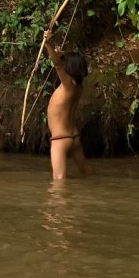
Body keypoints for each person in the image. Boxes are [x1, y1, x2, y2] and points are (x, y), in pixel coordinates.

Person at [43, 28, 90, 180]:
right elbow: (60, 64)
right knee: (87, 172)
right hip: (73, 137)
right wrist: (60, 55)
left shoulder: (68, 85)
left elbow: (57, 65)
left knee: (58, 181)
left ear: (69, 67)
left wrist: (48, 43)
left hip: (60, 139)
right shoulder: (78, 86)